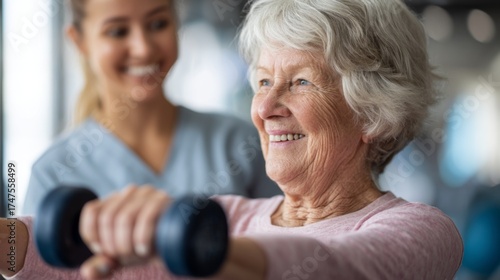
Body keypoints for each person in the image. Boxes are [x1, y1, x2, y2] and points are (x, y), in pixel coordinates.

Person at [2, 0, 463, 279]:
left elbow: (334, 266)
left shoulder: (423, 230)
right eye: (263, 83)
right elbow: (99, 263)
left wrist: (199, 249)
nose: (264, 110)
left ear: (372, 112)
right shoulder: (230, 214)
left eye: (300, 82)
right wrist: (9, 239)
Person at [21, 0, 280, 216]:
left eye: (158, 24)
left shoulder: (242, 143)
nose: (143, 49)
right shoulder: (51, 175)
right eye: (118, 31)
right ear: (79, 41)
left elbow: (286, 254)